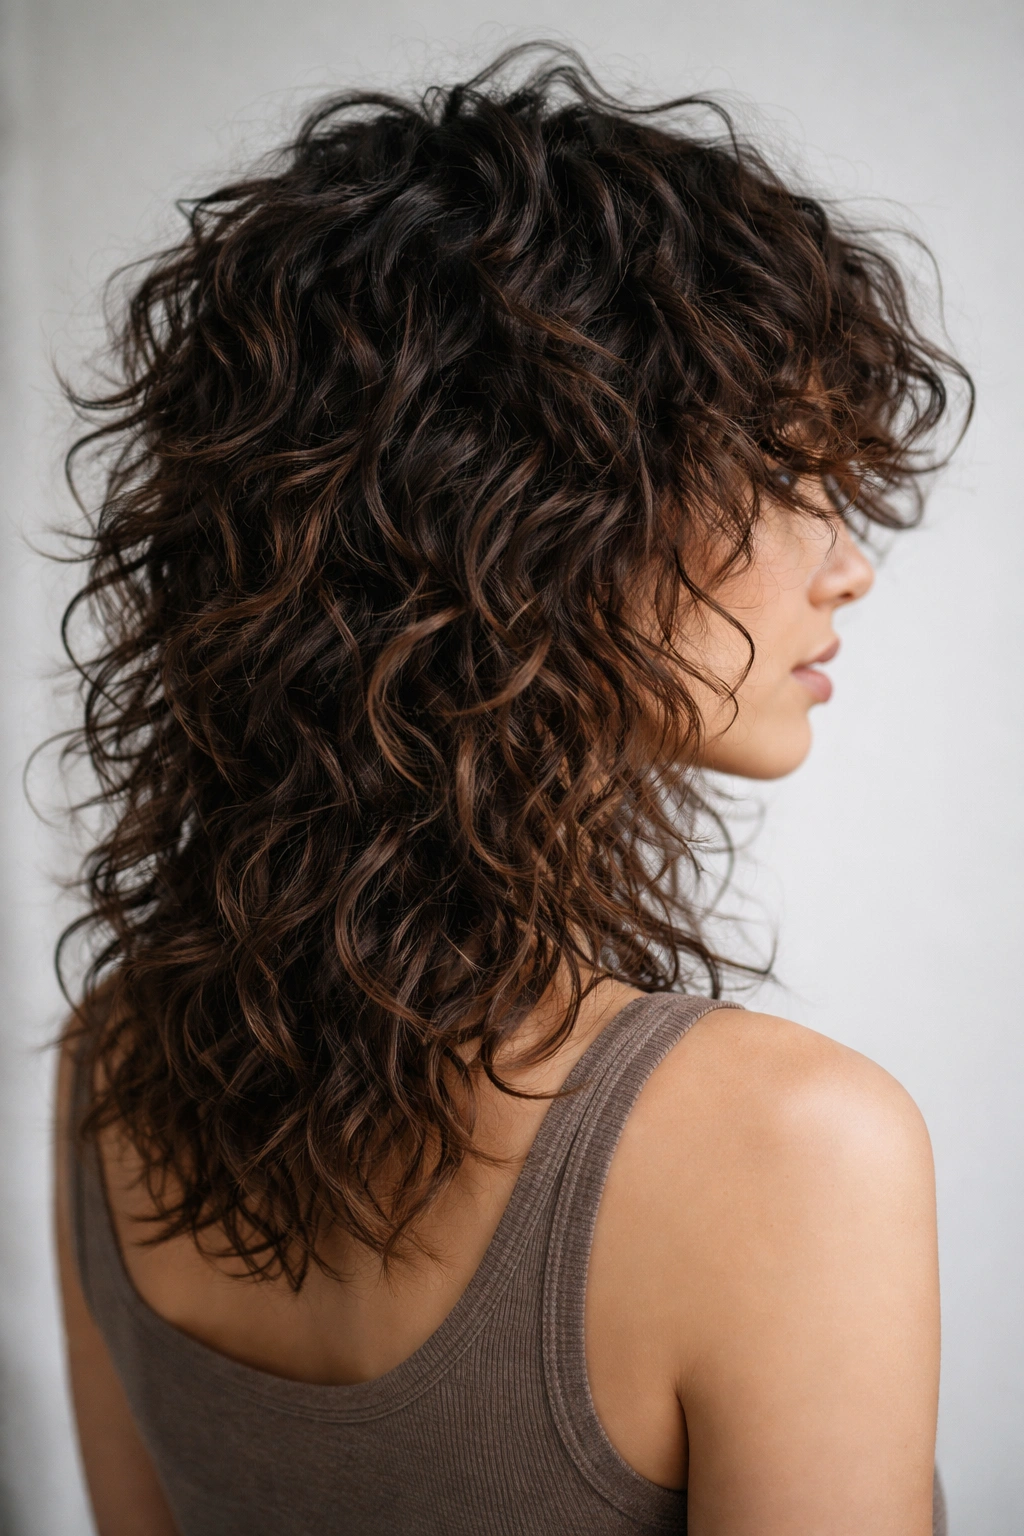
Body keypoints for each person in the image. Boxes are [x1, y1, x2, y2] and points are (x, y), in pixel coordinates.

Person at [53, 42, 971, 1536]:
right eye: (788, 478)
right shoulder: (793, 1148)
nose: (851, 562)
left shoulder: (120, 1065)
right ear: (535, 526)